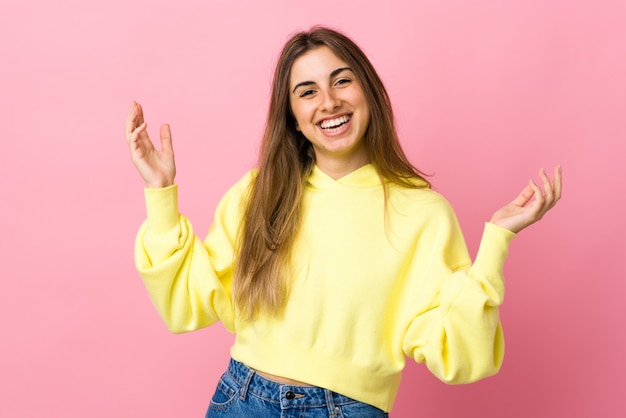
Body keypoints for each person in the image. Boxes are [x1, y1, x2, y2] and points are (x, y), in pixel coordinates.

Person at [125, 27, 561, 418]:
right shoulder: (259, 192)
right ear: (292, 117)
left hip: (349, 410)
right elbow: (187, 302)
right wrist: (161, 192)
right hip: (242, 400)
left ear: (367, 91)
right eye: (307, 91)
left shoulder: (422, 213)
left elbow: (462, 355)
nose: (329, 101)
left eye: (342, 81)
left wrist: (497, 242)